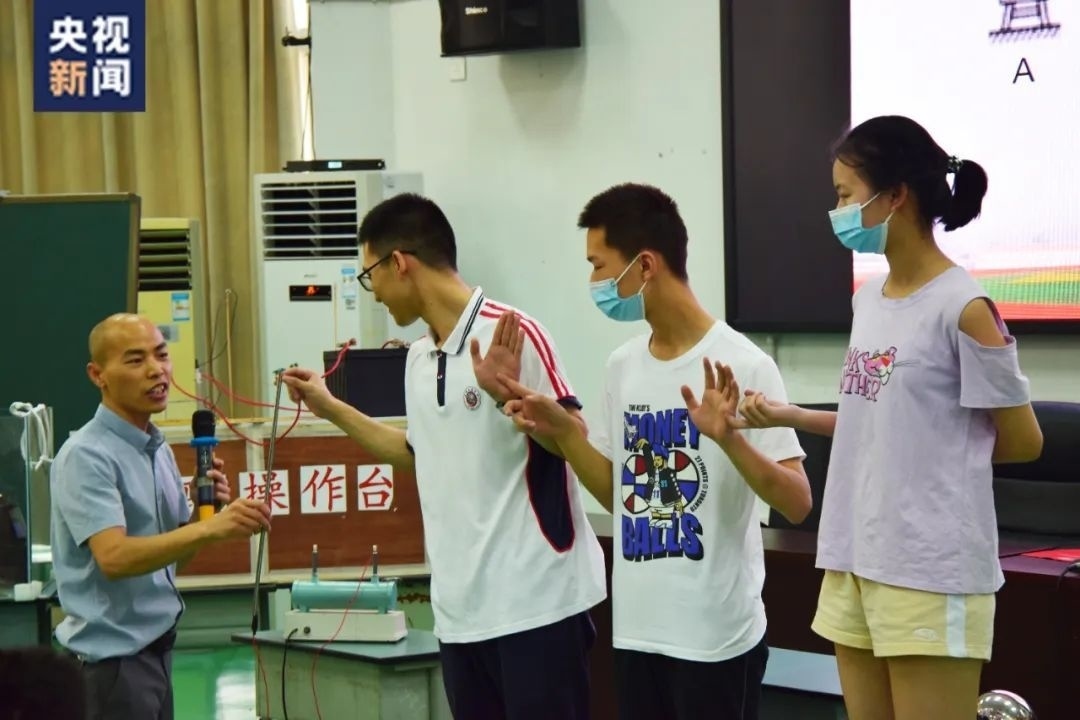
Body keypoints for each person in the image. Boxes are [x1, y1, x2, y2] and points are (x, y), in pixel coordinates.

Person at [735, 115, 1044, 720]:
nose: (837, 211)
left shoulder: (963, 305)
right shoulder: (868, 299)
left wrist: (933, 459)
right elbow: (875, 423)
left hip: (929, 568)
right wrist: (786, 414)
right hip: (853, 556)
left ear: (895, 195)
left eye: (845, 195)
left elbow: (1022, 440)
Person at [281, 193, 606, 720]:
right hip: (460, 618)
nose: (373, 293)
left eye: (369, 276)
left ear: (399, 263)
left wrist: (504, 395)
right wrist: (330, 407)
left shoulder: (512, 333)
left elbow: (572, 438)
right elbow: (417, 453)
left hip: (536, 608)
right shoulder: (417, 357)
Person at [495, 183, 812, 720]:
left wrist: (729, 439)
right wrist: (565, 434)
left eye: (599, 267)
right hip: (638, 634)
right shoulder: (623, 365)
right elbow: (619, 498)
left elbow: (798, 503)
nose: (594, 284)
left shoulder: (744, 363)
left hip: (715, 640)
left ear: (644, 265)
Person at [50, 313, 273, 720]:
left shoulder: (158, 449)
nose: (156, 370)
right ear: (98, 375)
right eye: (136, 360)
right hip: (111, 666)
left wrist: (203, 522)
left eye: (162, 355)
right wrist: (208, 529)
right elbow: (114, 558)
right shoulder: (87, 455)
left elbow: (169, 563)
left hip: (158, 653)